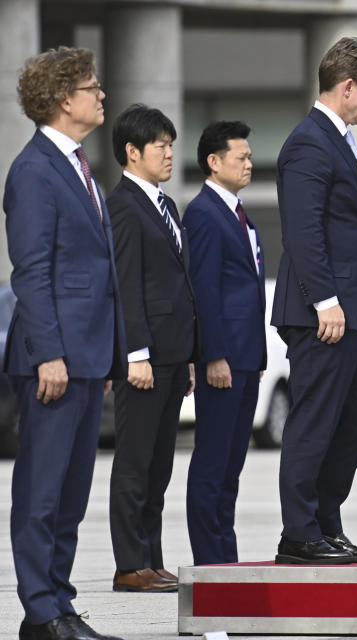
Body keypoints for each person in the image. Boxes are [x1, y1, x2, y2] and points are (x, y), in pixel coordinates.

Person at [4, 46, 126, 640]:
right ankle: (41, 609)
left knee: (71, 495)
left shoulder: (80, 167)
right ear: (62, 100)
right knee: (42, 493)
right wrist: (50, 352)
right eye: (92, 86)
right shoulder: (33, 172)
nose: (102, 95)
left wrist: (106, 354)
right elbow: (30, 272)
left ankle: (59, 605)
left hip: (85, 356)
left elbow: (98, 272)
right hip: (52, 359)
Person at [271, 36, 357, 565]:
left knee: (351, 420)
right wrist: (325, 301)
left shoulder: (339, 140)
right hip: (325, 315)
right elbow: (303, 232)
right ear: (347, 87)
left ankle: (326, 524)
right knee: (315, 421)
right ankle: (299, 534)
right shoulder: (308, 143)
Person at [107, 104, 198, 592]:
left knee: (160, 465)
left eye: (169, 144)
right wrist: (135, 353)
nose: (168, 153)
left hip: (170, 356)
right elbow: (125, 285)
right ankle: (129, 564)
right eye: (160, 145)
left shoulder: (165, 205)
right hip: (143, 360)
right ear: (132, 151)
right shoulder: (122, 205)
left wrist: (185, 356)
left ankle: (152, 559)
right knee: (136, 462)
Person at [184, 121, 266, 566]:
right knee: (213, 464)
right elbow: (204, 289)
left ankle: (226, 563)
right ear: (214, 162)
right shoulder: (203, 213)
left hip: (247, 358)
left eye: (251, 157)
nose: (250, 164)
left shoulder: (238, 213)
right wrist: (212, 354)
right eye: (242, 157)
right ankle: (209, 566)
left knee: (231, 468)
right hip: (224, 360)